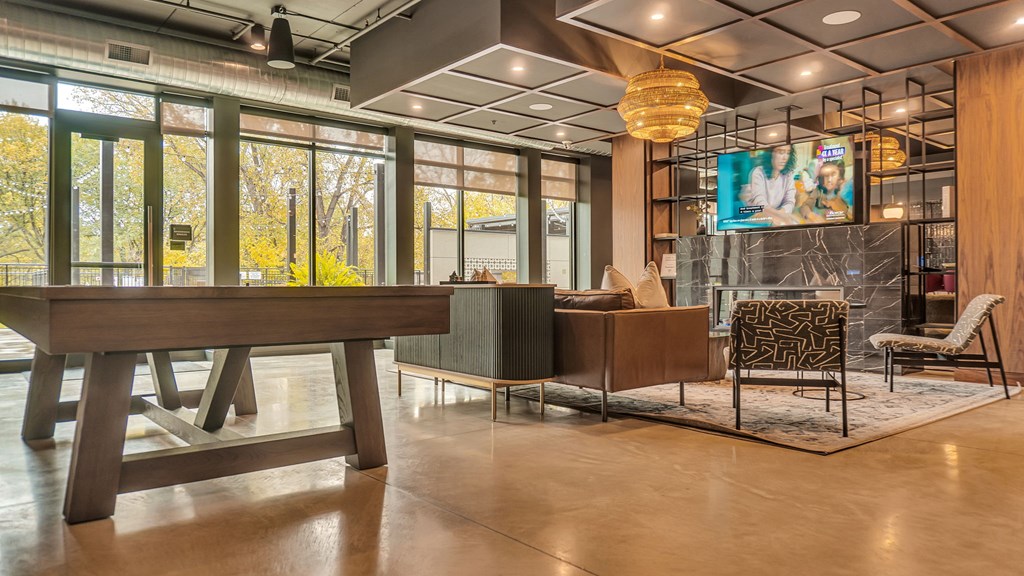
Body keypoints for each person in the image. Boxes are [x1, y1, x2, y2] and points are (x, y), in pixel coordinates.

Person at [745, 145, 798, 225]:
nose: (785, 158)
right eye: (781, 152)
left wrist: (781, 213)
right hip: (760, 217)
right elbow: (759, 201)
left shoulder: (788, 175)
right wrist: (776, 215)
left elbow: (790, 200)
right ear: (770, 154)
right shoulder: (758, 172)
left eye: (788, 153)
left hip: (780, 216)